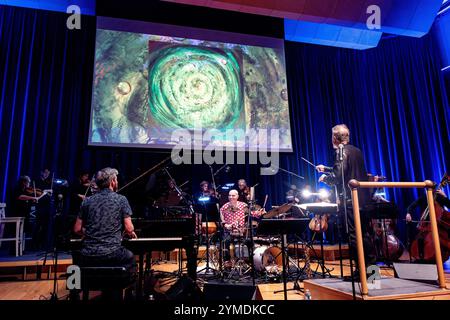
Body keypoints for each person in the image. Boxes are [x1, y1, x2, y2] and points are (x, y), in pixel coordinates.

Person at [316, 124, 376, 272]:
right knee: (365, 235)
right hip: (364, 200)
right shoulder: (356, 150)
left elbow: (338, 177)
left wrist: (325, 178)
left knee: (354, 236)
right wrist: (327, 168)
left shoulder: (340, 151)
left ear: (335, 138)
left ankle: (361, 272)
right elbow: (349, 170)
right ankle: (372, 274)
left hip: (350, 201)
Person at [73, 167, 137, 298]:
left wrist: (92, 231)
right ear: (113, 182)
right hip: (112, 254)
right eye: (116, 179)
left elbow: (77, 229)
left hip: (88, 256)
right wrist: (127, 232)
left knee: (77, 259)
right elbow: (129, 228)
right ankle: (128, 292)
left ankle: (76, 292)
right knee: (130, 257)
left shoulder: (87, 201)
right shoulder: (121, 199)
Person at [219, 189, 263, 261]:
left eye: (233, 195)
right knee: (225, 241)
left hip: (242, 231)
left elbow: (253, 214)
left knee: (250, 241)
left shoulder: (243, 206)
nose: (231, 197)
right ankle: (227, 263)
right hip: (229, 232)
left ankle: (251, 261)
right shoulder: (224, 207)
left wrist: (260, 213)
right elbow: (222, 221)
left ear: (237, 196)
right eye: (229, 195)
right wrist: (226, 225)